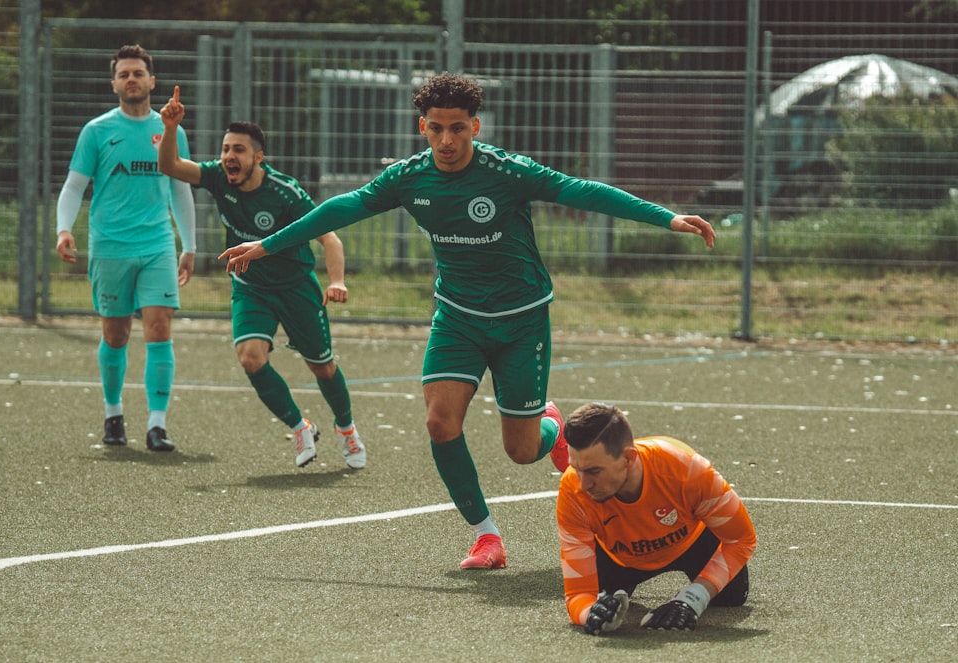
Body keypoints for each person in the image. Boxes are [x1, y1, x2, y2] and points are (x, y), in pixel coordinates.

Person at [218, 72, 716, 568]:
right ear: (423, 128)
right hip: (457, 317)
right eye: (437, 128)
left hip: (521, 320)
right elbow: (343, 209)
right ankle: (486, 537)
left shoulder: (507, 171)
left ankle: (552, 426)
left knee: (522, 451)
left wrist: (666, 217)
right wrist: (266, 245)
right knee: (439, 421)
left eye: (458, 128)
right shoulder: (409, 178)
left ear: (475, 127)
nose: (447, 139)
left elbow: (583, 191)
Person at [157, 88, 366, 469]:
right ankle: (300, 426)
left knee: (322, 366)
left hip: (296, 288)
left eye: (238, 150)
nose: (228, 157)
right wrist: (170, 127)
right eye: (225, 149)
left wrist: (337, 281)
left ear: (258, 157)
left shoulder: (285, 192)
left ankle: (347, 429)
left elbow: (329, 237)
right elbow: (170, 166)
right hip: (251, 288)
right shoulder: (219, 178)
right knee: (251, 358)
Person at [56, 44, 196, 453]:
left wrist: (189, 245)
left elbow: (181, 190)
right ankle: (113, 414)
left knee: (159, 327)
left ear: (152, 81)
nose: (132, 79)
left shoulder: (172, 131)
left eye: (139, 73)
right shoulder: (97, 131)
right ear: (114, 83)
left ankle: (157, 425)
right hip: (110, 246)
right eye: (124, 74)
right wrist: (64, 229)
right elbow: (74, 187)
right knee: (116, 334)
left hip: (156, 245)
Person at [556, 402, 756, 635]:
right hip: (619, 558)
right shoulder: (573, 490)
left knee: (730, 596)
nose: (583, 483)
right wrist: (590, 613)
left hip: (692, 544)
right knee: (603, 609)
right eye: (576, 469)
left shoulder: (687, 469)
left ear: (629, 458)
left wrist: (693, 599)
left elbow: (741, 539)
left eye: (593, 471)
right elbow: (578, 595)